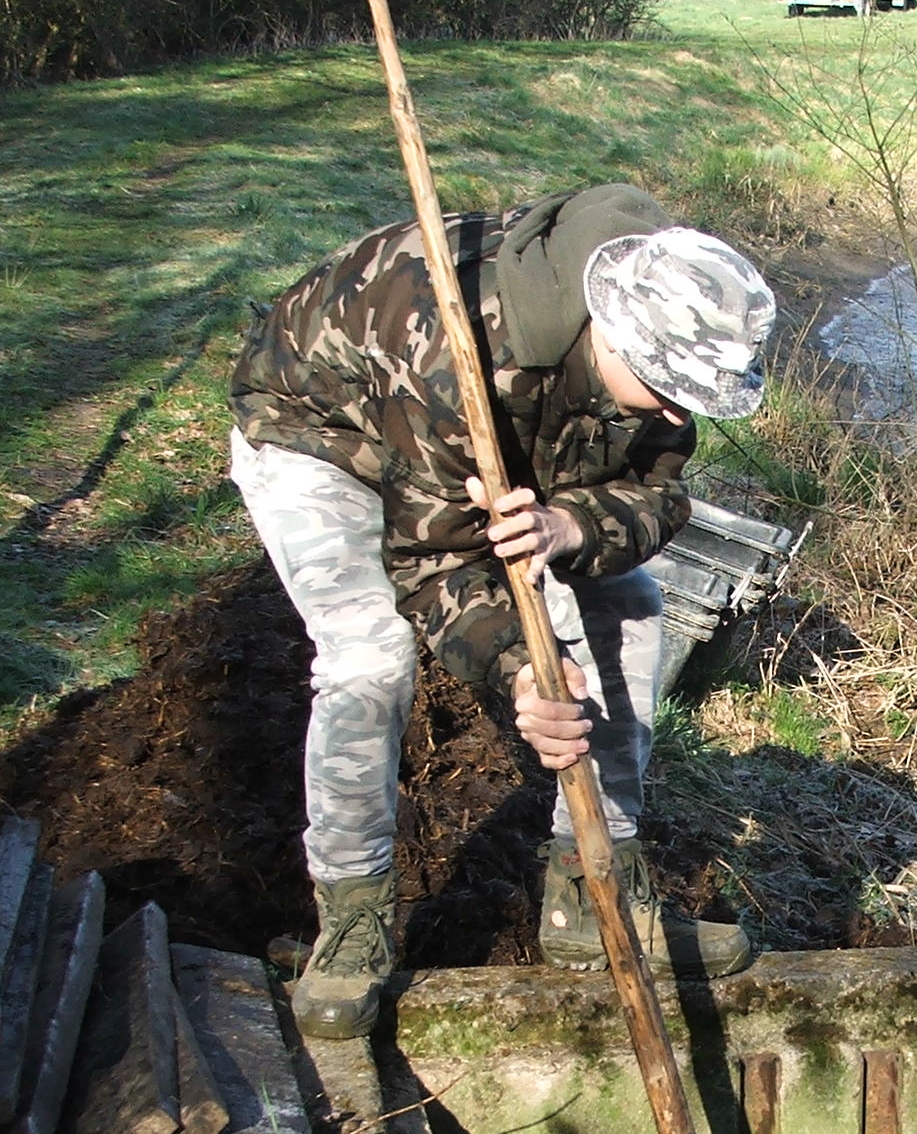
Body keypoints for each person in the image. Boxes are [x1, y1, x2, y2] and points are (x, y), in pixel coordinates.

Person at [229, 183, 774, 1040]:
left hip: (492, 427)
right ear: (608, 332)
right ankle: (354, 915)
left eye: (691, 396)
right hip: (324, 432)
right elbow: (435, 561)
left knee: (632, 600)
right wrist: (523, 671)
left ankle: (593, 892)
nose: (677, 413)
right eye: (665, 388)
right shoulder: (456, 354)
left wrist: (570, 523)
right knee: (370, 654)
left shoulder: (664, 321)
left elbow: (660, 493)